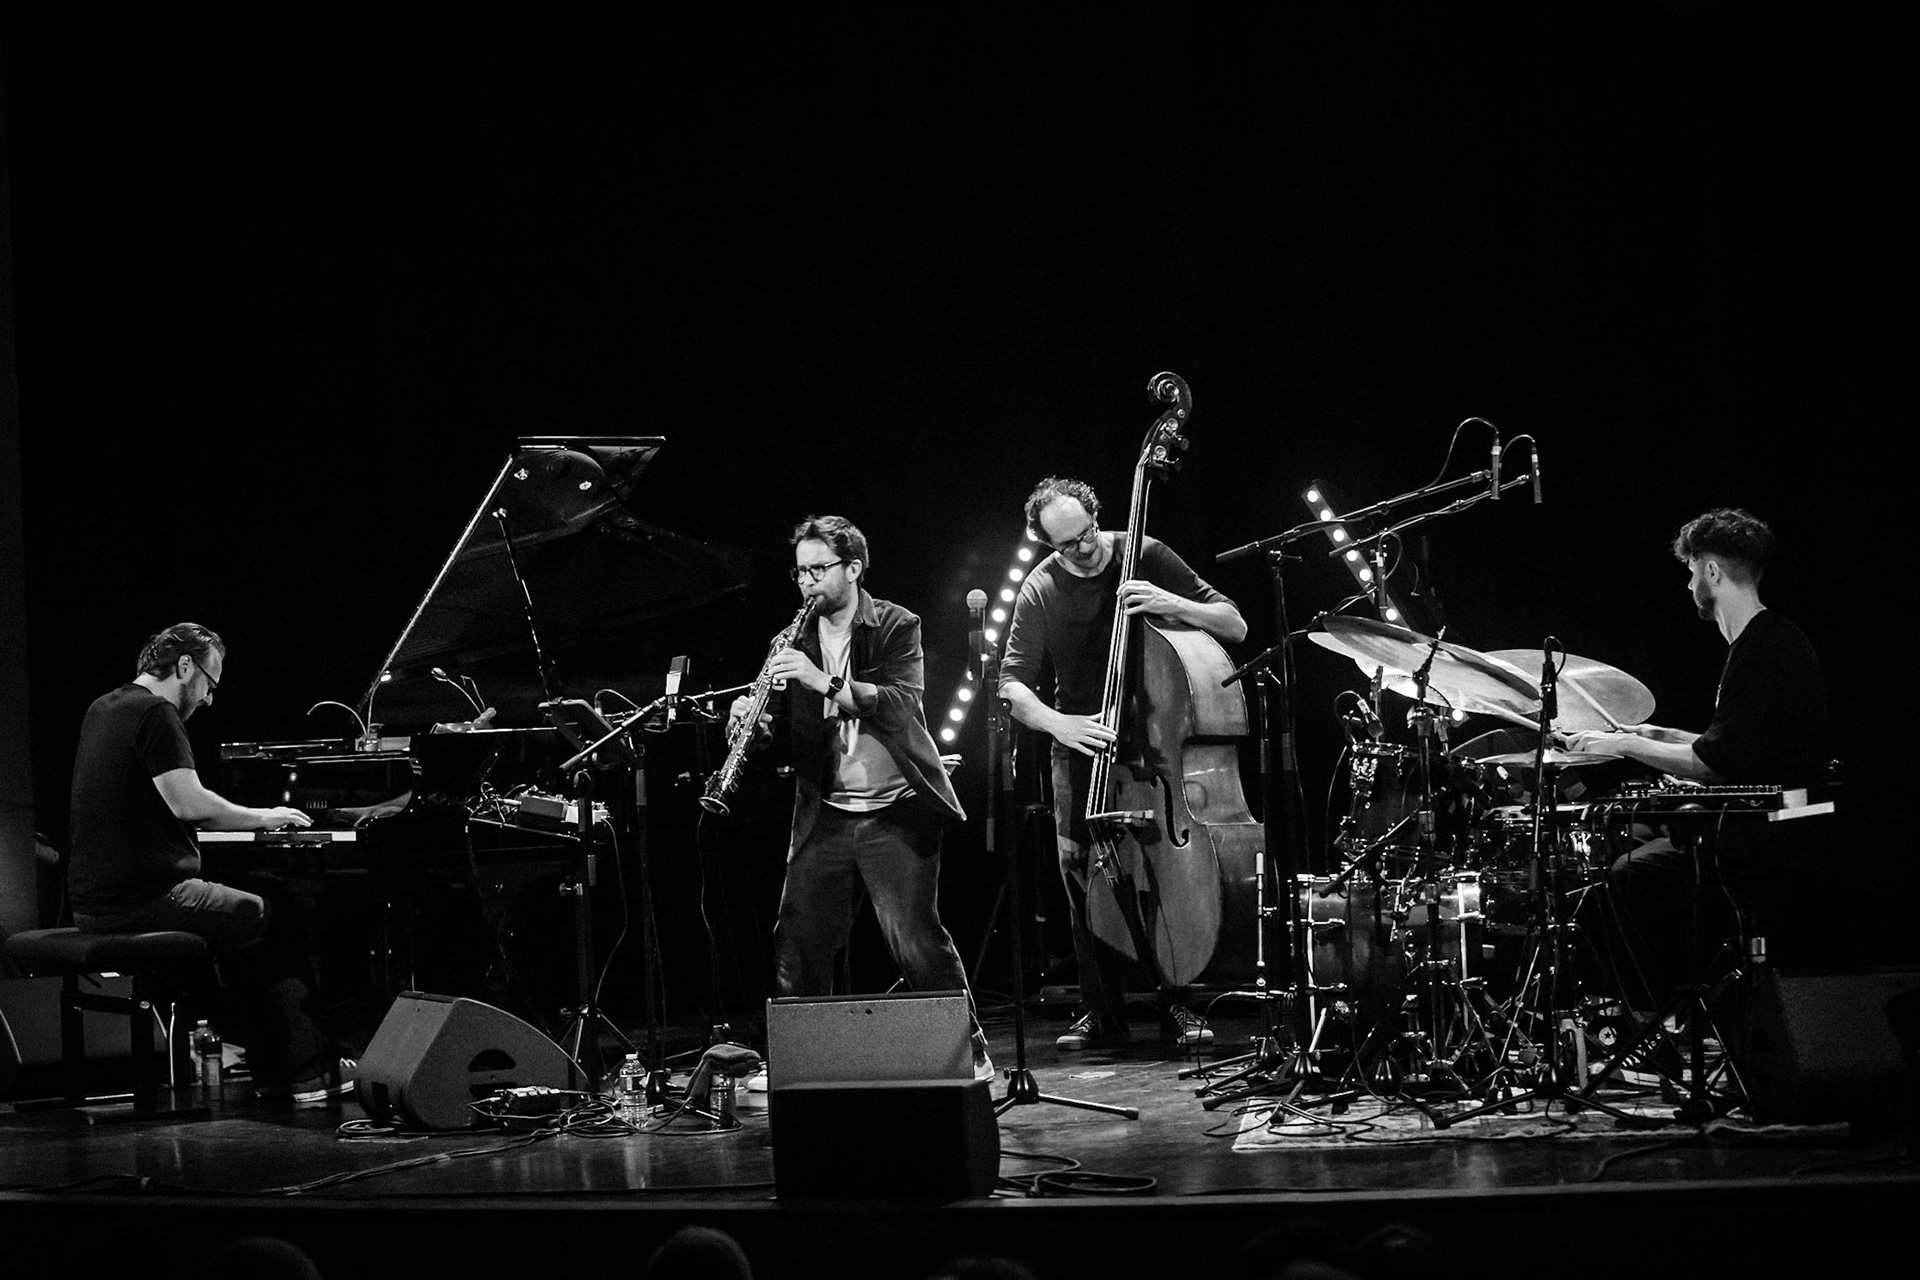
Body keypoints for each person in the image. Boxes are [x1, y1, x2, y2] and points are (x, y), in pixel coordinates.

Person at [730, 516, 990, 1079]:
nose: (807, 583)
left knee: (916, 941)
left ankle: (968, 1053)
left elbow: (900, 703)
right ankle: (800, 1064)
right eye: (800, 572)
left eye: (818, 570)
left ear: (853, 568)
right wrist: (754, 721)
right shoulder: (791, 639)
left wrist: (822, 680)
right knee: (798, 941)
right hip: (825, 812)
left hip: (895, 809)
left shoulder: (897, 624)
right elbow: (780, 723)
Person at [998, 477, 1248, 1051]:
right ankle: (1101, 1009)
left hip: (1158, 745)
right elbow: (1012, 684)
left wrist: (1171, 603)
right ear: (1045, 545)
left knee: (1163, 873)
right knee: (1081, 872)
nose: (1082, 550)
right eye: (1065, 546)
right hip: (1082, 743)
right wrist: (1060, 724)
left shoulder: (1148, 553)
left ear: (1096, 515)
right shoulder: (1040, 588)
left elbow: (1234, 624)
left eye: (1086, 535)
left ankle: (1177, 1002)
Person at [67, 622, 352, 1100]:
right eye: (209, 684)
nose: (209, 700)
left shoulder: (105, 707)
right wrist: (266, 816)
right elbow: (189, 804)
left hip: (93, 901)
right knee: (269, 913)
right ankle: (305, 1072)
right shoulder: (156, 712)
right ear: (184, 667)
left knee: (242, 915)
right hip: (144, 900)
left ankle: (266, 1062)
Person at [1564, 508, 1831, 1007]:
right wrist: (1653, 732)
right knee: (1641, 854)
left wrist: (1622, 745)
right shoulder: (1768, 640)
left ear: (1711, 571)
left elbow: (1715, 764)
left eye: (1691, 573)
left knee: (1620, 883)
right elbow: (1736, 743)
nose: (1689, 587)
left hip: (1773, 838)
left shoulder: (1765, 646)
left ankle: (1650, 1024)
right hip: (1771, 827)